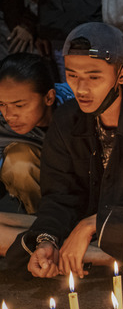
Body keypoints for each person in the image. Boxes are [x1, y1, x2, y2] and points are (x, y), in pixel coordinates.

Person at [1, 22, 123, 282]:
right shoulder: (66, 118)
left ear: (122, 75)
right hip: (85, 227)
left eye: (93, 77)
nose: (81, 89)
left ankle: (83, 254)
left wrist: (90, 224)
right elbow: (59, 197)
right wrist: (47, 239)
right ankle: (107, 259)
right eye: (72, 76)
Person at [0, 53, 71, 216]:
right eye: (2, 104)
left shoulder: (76, 109)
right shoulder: (3, 124)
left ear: (49, 97)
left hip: (86, 190)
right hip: (43, 197)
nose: (9, 115)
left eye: (19, 105)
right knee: (19, 162)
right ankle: (41, 223)